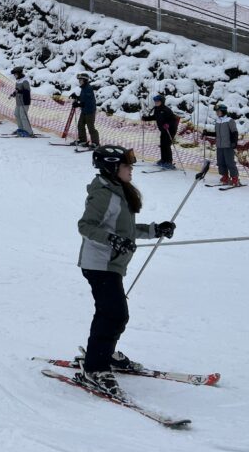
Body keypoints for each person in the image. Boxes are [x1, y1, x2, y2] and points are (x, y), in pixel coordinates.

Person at [75, 145, 175, 398]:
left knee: (110, 312)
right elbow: (85, 226)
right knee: (115, 314)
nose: (131, 170)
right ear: (112, 168)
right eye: (127, 166)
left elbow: (125, 229)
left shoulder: (118, 191)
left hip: (112, 263)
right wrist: (112, 240)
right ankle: (96, 367)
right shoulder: (103, 194)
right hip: (99, 264)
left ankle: (103, 353)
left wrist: (155, 230)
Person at [142, 95, 178, 170]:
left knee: (166, 145)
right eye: (155, 101)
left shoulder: (166, 110)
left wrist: (168, 124)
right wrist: (146, 118)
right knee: (162, 145)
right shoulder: (157, 109)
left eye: (158, 101)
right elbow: (155, 117)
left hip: (170, 130)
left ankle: (168, 162)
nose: (156, 103)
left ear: (162, 102)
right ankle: (163, 160)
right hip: (163, 130)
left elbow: (174, 120)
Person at [208, 103, 240, 186]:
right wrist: (207, 133)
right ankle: (225, 177)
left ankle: (235, 178)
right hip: (219, 146)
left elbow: (234, 132)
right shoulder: (218, 122)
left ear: (223, 111)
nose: (217, 113)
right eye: (216, 112)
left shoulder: (229, 120)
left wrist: (234, 142)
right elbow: (217, 134)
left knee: (230, 163)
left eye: (218, 111)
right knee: (221, 162)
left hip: (228, 145)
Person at [73, 72, 100, 148]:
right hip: (84, 111)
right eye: (79, 80)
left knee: (90, 127)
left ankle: (95, 143)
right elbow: (83, 99)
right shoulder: (83, 88)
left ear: (85, 80)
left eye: (81, 80)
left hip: (90, 111)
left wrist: (78, 104)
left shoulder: (88, 88)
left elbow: (88, 102)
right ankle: (83, 140)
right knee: (80, 125)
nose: (79, 81)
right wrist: (76, 97)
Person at [10, 66, 34, 137]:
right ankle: (21, 129)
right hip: (18, 101)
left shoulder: (25, 80)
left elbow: (27, 91)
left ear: (19, 73)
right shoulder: (18, 80)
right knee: (17, 114)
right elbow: (17, 90)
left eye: (15, 74)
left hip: (24, 101)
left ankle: (28, 132)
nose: (15, 75)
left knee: (23, 116)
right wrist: (14, 93)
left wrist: (19, 91)